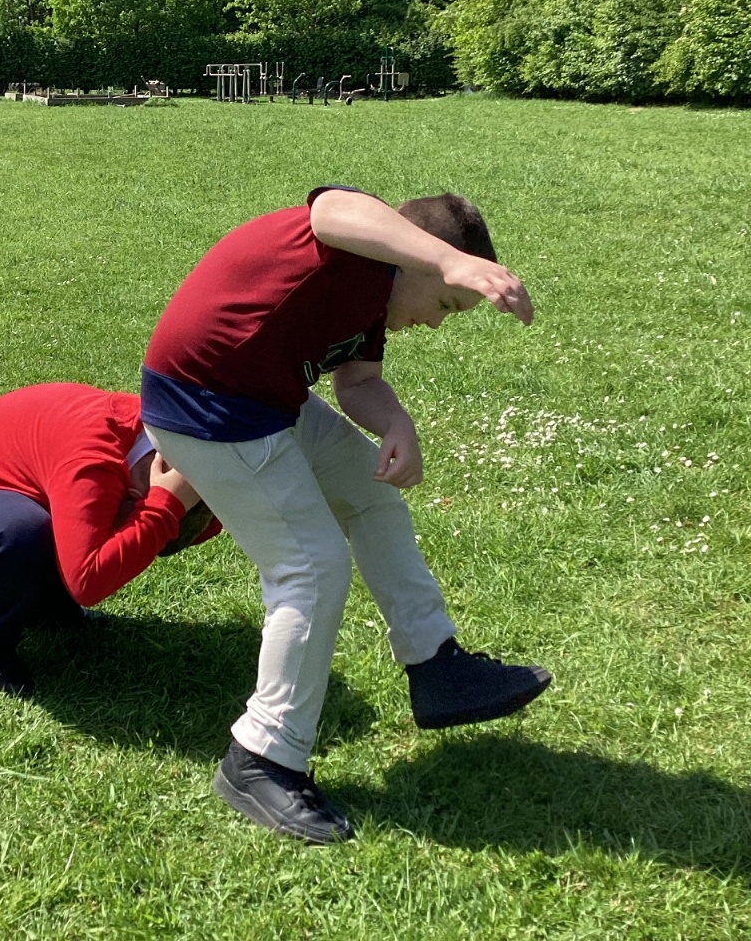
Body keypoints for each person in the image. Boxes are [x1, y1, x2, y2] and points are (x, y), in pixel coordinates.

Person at [140, 187, 552, 844]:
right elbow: (328, 207)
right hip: (206, 403)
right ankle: (261, 758)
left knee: (371, 494)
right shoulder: (358, 244)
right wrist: (452, 261)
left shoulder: (376, 295)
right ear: (416, 259)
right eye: (446, 305)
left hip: (262, 399)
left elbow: (357, 382)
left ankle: (436, 666)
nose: (437, 323)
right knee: (310, 566)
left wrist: (397, 424)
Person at [0, 382, 219, 695]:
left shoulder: (161, 435)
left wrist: (165, 509)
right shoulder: (95, 458)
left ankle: (44, 606)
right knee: (19, 532)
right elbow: (88, 582)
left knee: (73, 525)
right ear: (135, 493)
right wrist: (161, 507)